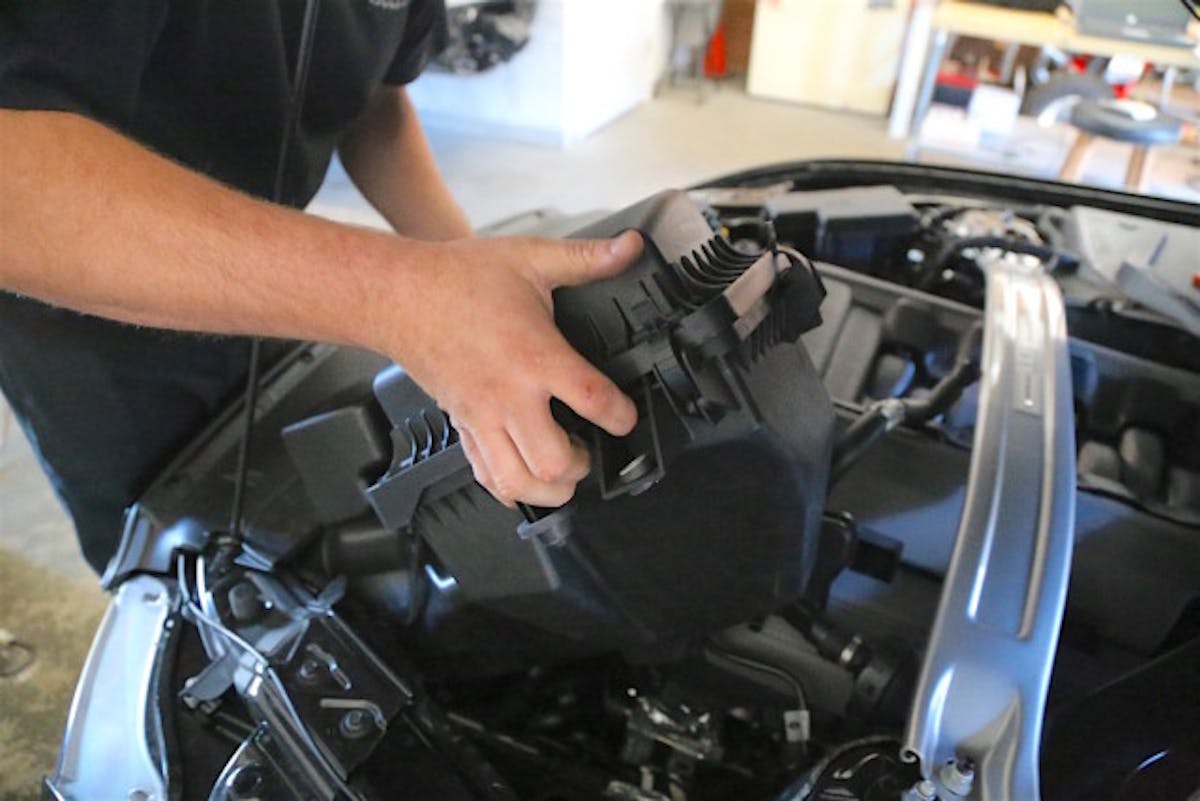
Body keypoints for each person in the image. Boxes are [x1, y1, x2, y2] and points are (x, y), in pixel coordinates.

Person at [0, 2, 640, 574]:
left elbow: (378, 106)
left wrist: (466, 273)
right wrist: (401, 296)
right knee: (180, 569)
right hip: (95, 318)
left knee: (297, 532)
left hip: (288, 280)